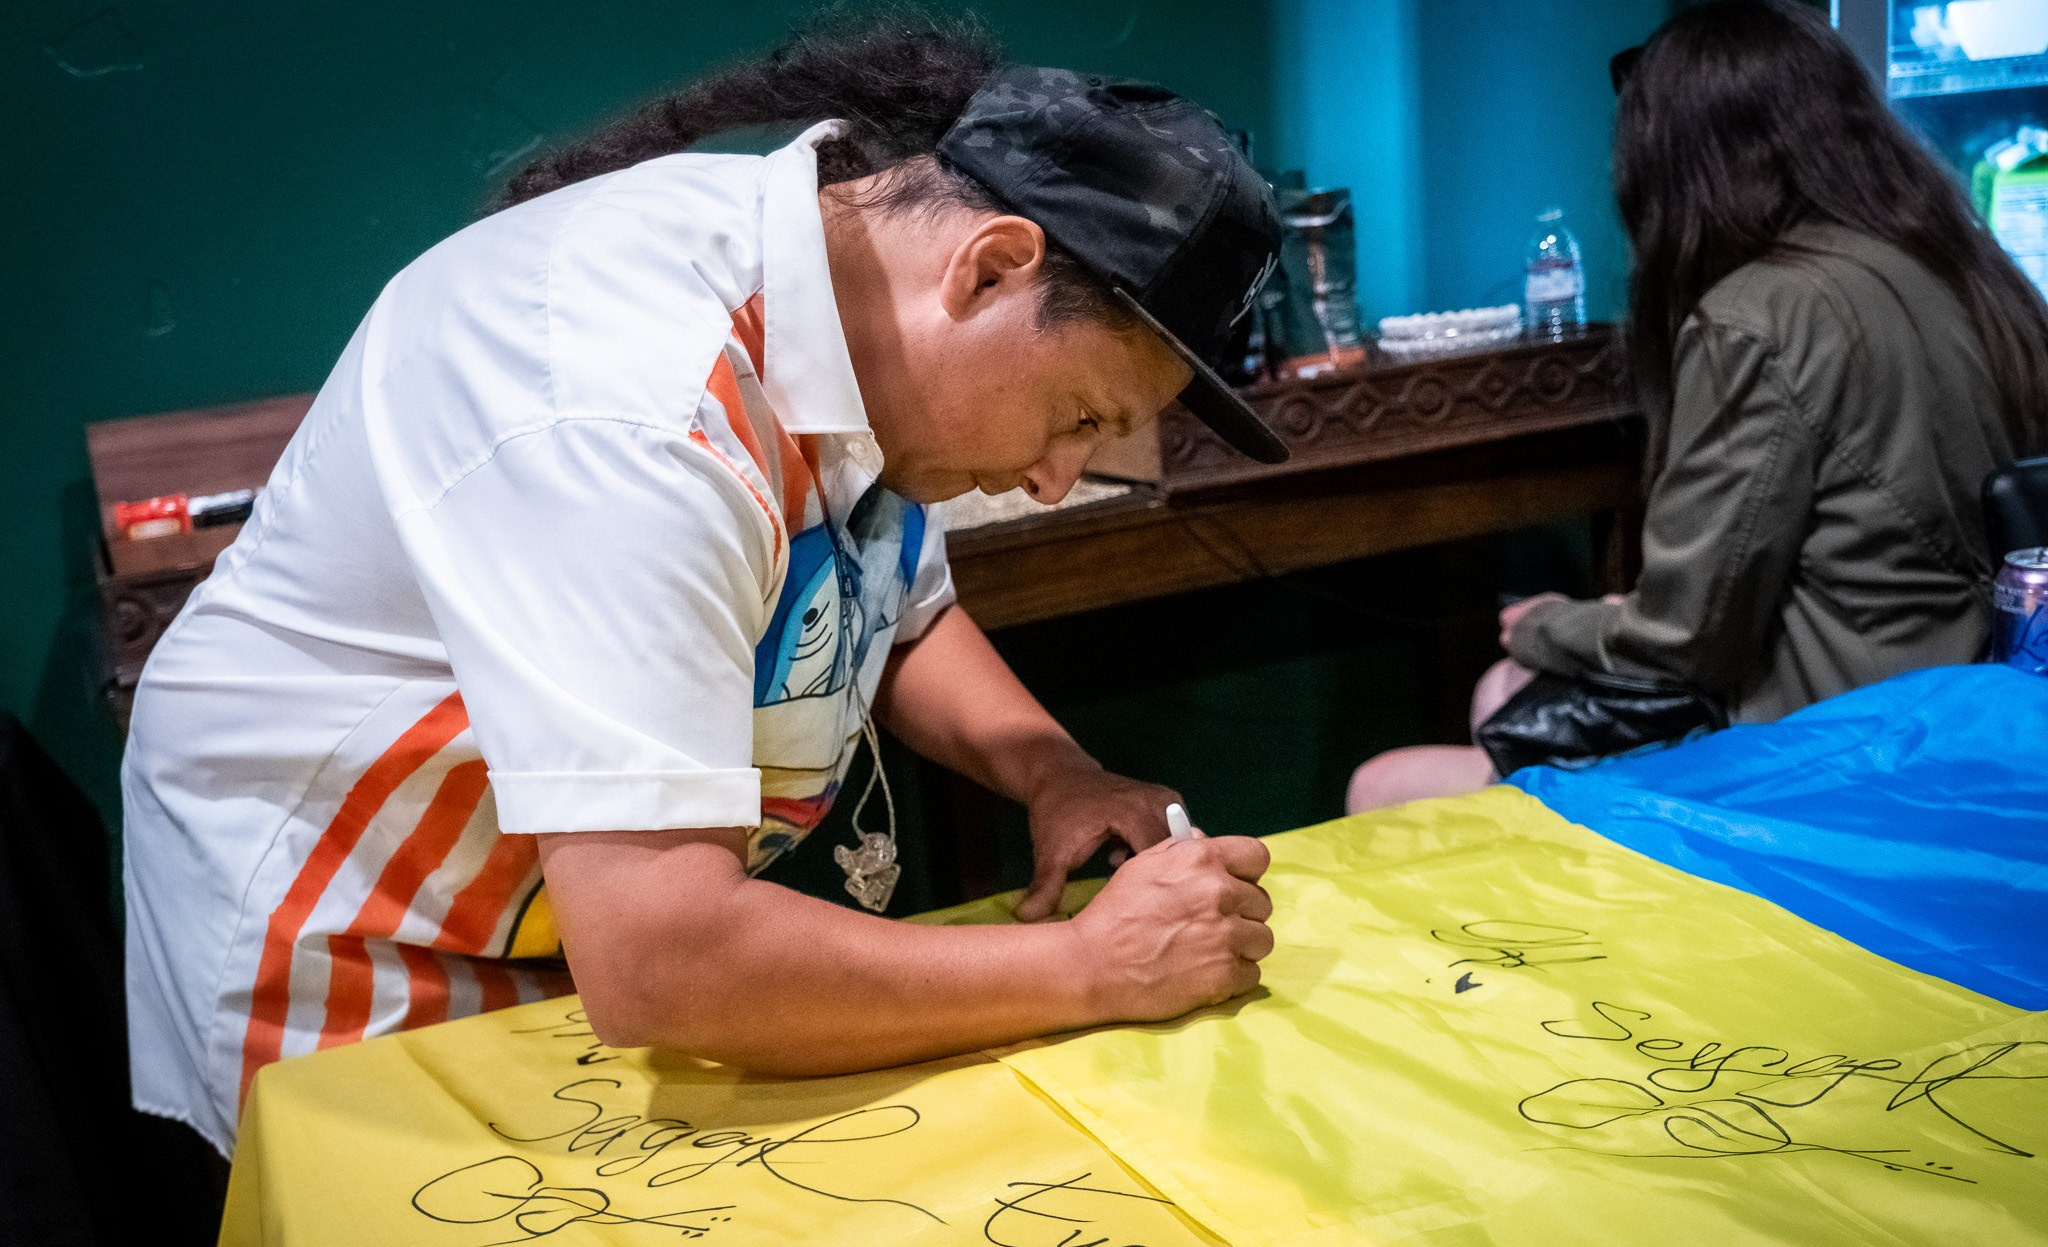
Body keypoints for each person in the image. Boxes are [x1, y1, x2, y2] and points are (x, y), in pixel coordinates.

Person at [123, 16, 1289, 1155]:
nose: (1051, 480)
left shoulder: (856, 305)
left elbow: (891, 605)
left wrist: (1050, 770)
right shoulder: (632, 408)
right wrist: (1087, 969)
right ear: (987, 268)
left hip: (583, 929)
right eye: (1077, 417)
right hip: (363, 935)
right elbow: (666, 961)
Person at [1347, 0, 2048, 814]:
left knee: (1392, 773)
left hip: (1839, 740)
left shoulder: (1759, 311)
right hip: (1975, 713)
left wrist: (1547, 620)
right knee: (1514, 690)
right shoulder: (1964, 269)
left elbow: (1690, 638)